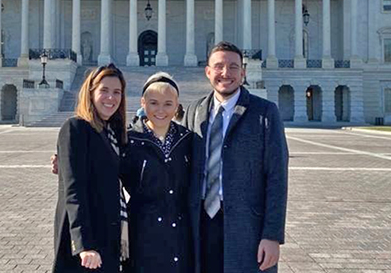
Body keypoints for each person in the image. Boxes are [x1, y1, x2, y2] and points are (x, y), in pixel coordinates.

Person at [182, 41, 288, 273]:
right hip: (201, 224)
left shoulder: (265, 112)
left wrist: (272, 235)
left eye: (233, 67)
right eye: (218, 66)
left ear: (243, 72)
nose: (225, 73)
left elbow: (277, 178)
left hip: (246, 229)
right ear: (208, 72)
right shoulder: (194, 111)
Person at [52, 63, 128, 273]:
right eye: (104, 90)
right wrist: (84, 245)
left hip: (109, 232)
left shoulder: (112, 132)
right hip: (88, 240)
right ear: (91, 92)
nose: (111, 98)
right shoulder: (75, 128)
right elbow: (73, 191)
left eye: (117, 92)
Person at [121, 72, 192, 273]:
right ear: (143, 103)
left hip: (179, 233)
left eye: (168, 104)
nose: (160, 110)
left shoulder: (187, 140)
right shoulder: (129, 140)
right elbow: (102, 170)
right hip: (142, 232)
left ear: (177, 105)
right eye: (154, 103)